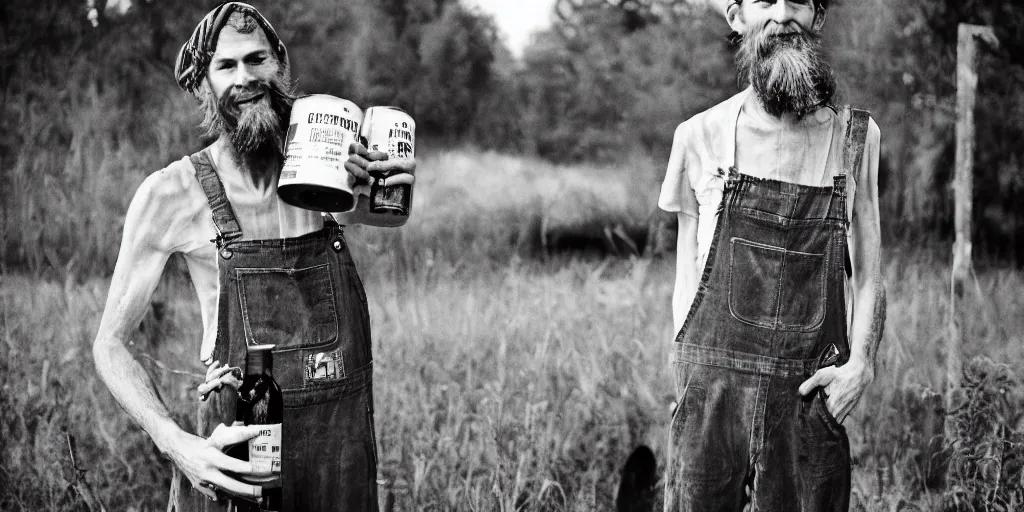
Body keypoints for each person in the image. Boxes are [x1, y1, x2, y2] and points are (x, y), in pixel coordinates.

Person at [91, 3, 414, 510]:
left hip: (338, 453)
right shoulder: (171, 193)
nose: (245, 78)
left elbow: (389, 215)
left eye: (257, 59)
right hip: (238, 457)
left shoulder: (326, 172)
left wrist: (387, 184)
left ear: (279, 66)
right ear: (203, 85)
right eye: (226, 66)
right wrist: (178, 446)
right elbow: (109, 345)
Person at [658, 0, 886, 510]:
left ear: (818, 19)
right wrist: (690, 377)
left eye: (799, 1)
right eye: (765, 1)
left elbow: (870, 276)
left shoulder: (855, 140)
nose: (782, 14)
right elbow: (686, 276)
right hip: (711, 403)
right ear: (737, 18)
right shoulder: (698, 137)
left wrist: (860, 368)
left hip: (807, 406)